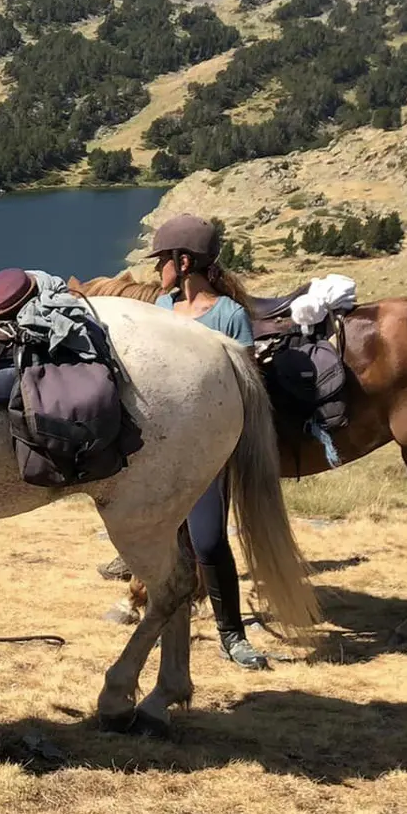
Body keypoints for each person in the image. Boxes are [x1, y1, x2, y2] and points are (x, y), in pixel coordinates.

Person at [148, 214, 269, 670]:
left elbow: (245, 385)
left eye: (162, 259)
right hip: (161, 449)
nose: (157, 269)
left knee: (208, 540)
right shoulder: (159, 310)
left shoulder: (228, 315)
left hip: (206, 448)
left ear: (183, 261)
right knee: (163, 543)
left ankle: (231, 634)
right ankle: (164, 626)